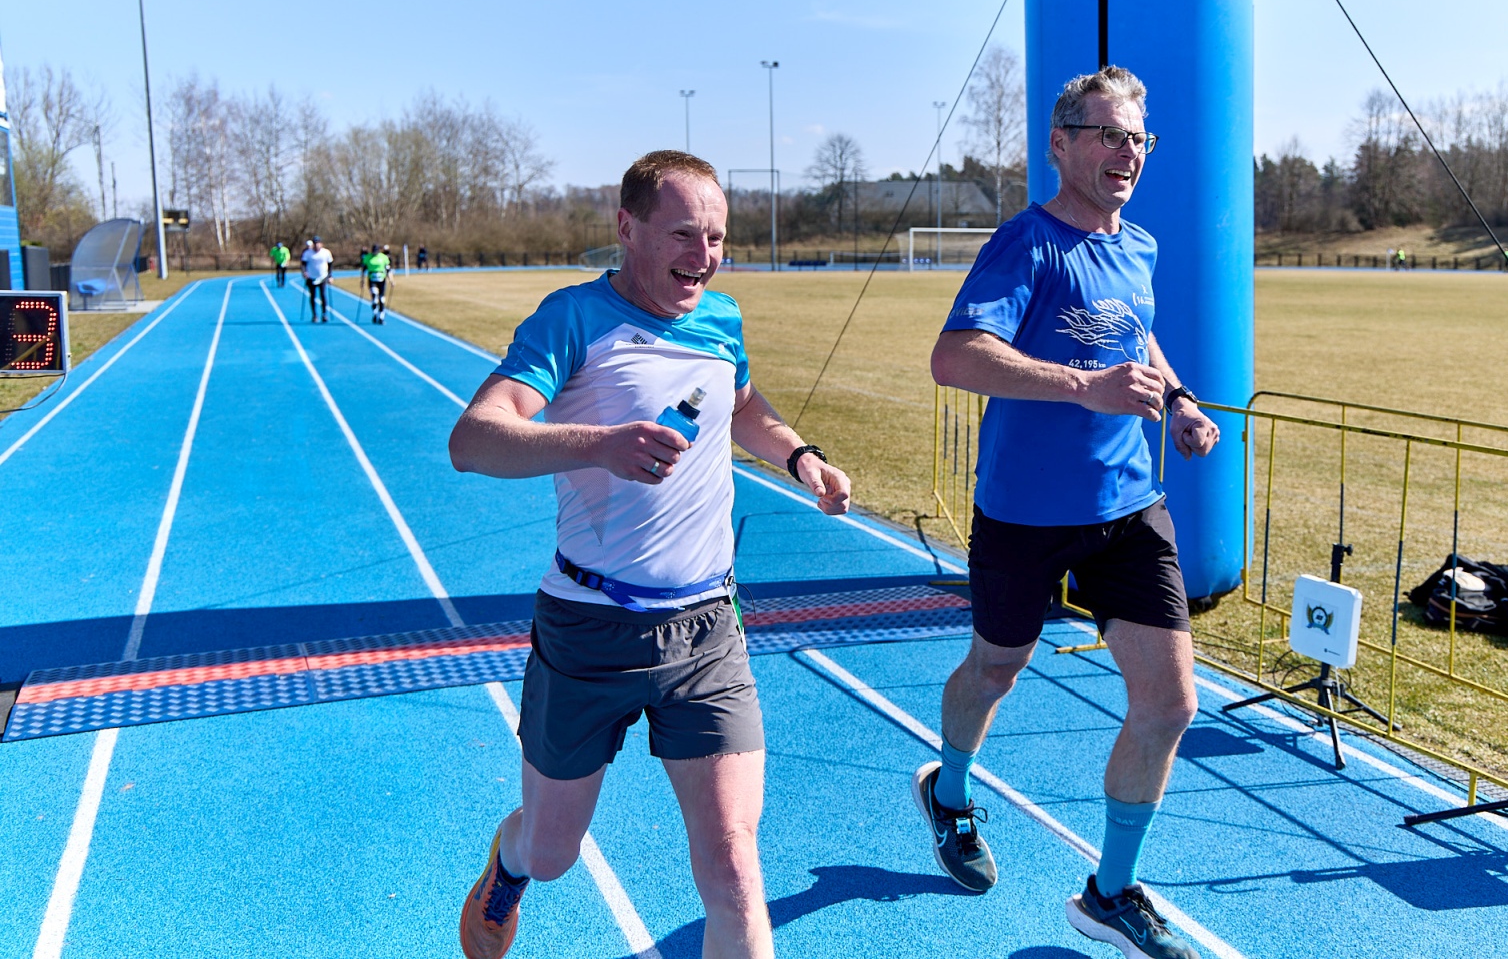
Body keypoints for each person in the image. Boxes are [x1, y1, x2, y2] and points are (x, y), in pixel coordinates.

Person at [448, 150, 853, 959]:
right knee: (555, 850)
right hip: (589, 628)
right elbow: (473, 440)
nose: (702, 257)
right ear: (626, 228)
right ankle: (512, 862)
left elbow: (740, 401)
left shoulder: (721, 317)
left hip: (707, 627)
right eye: (682, 234)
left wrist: (801, 456)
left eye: (716, 238)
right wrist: (600, 443)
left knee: (736, 864)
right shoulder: (571, 320)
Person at [915, 66, 1220, 959]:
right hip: (1022, 515)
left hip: (1129, 507)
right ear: (1060, 144)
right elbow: (954, 355)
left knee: (1169, 704)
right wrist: (1084, 387)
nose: (1125, 153)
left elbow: (1138, 338)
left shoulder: (1141, 248)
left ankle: (1109, 893)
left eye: (1137, 139)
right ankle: (951, 789)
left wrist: (1180, 402)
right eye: (1107, 135)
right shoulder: (1025, 244)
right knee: (995, 670)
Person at [301, 236, 333, 323]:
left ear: (321, 244)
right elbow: (303, 264)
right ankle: (314, 315)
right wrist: (304, 272)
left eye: (318, 243)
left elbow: (330, 264)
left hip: (323, 277)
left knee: (323, 295)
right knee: (313, 296)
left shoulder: (326, 252)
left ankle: (324, 314)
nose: (316, 245)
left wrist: (330, 276)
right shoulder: (307, 253)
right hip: (311, 277)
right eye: (315, 244)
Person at [366, 244, 392, 324]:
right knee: (374, 296)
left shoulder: (384, 257)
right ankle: (375, 313)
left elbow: (388, 269)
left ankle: (381, 317)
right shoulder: (368, 257)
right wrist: (362, 281)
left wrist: (391, 280)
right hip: (372, 279)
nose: (375, 253)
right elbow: (363, 268)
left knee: (381, 299)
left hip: (381, 279)